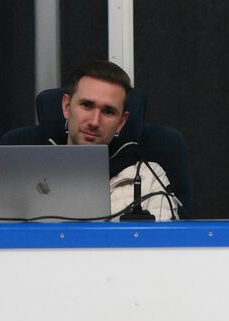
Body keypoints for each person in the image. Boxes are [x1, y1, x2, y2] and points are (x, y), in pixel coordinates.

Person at [51, 60, 180, 221]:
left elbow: (163, 243)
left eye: (108, 111)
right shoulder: (27, 173)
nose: (94, 122)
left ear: (121, 122)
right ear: (67, 106)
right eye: (87, 105)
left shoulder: (149, 178)